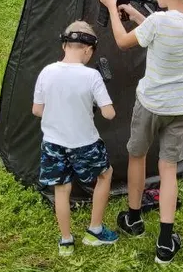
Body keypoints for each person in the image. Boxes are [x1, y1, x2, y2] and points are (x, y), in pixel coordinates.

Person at [96, 0, 183, 266]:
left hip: (152, 104)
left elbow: (121, 41)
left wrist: (111, 7)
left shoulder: (160, 22)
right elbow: (160, 31)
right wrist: (134, 12)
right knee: (168, 168)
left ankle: (133, 218)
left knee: (137, 156)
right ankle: (165, 241)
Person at [33, 21, 119, 256]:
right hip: (85, 144)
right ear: (88, 49)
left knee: (61, 189)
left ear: (65, 45)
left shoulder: (46, 72)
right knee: (105, 174)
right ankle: (95, 231)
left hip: (53, 144)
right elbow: (109, 114)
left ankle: (66, 241)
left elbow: (37, 110)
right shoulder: (92, 76)